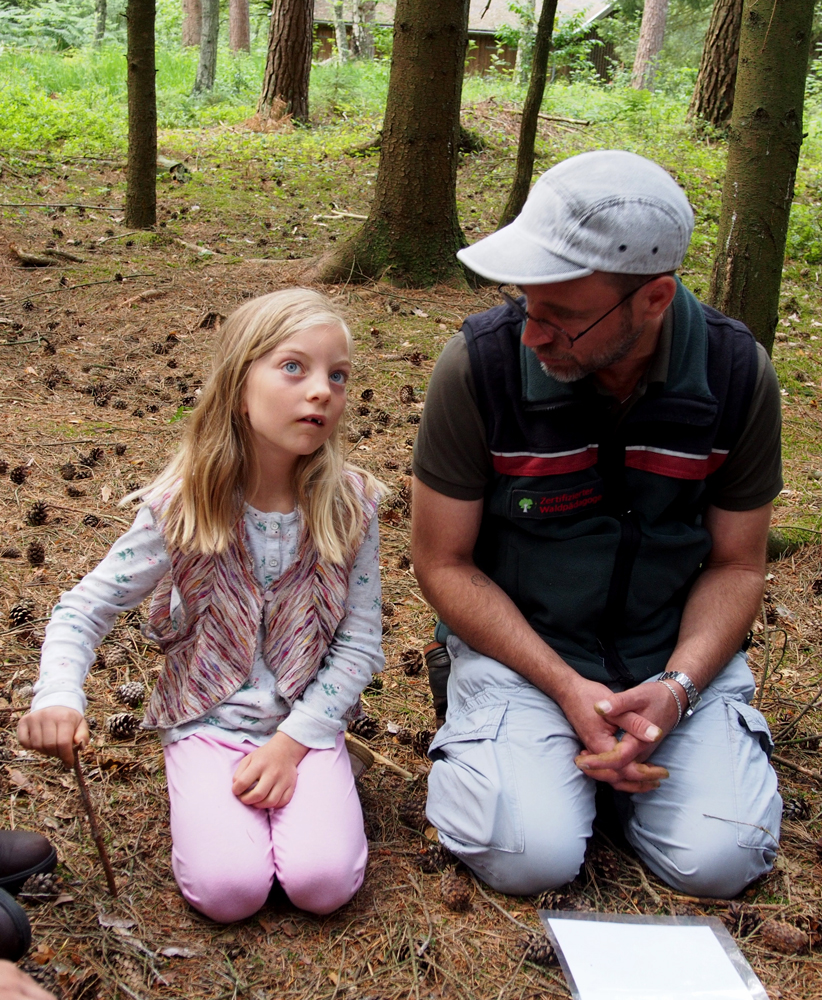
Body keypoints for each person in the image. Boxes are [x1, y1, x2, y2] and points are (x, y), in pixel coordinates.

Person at [412, 150, 783, 899]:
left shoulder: (736, 374)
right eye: (528, 303)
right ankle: (552, 771)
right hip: (527, 658)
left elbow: (738, 565)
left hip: (673, 661)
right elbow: (442, 562)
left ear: (653, 300)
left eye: (563, 317)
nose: (531, 334)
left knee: (725, 859)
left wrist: (677, 689)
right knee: (528, 854)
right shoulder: (478, 368)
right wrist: (566, 687)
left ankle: (609, 776)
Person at [18, 289, 385, 923]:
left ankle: (312, 789)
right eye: (294, 366)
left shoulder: (351, 506)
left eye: (338, 374)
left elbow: (359, 641)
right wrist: (58, 694)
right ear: (240, 384)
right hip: (206, 721)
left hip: (307, 725)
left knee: (322, 884)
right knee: (229, 892)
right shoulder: (182, 507)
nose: (322, 389)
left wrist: (294, 742)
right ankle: (210, 797)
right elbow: (86, 608)